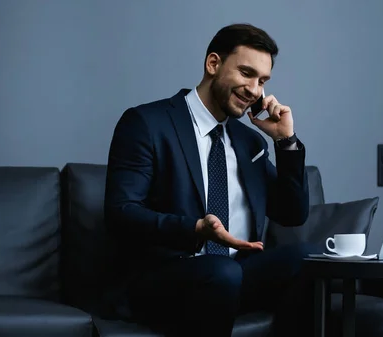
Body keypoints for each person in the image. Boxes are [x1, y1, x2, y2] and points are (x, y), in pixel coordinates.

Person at [103, 23, 314, 337]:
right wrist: (195, 229)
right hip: (166, 277)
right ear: (213, 64)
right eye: (246, 73)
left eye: (262, 81)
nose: (255, 91)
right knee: (223, 272)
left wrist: (285, 142)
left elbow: (292, 213)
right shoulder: (147, 123)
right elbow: (121, 212)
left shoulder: (248, 142)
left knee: (305, 258)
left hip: (234, 274)